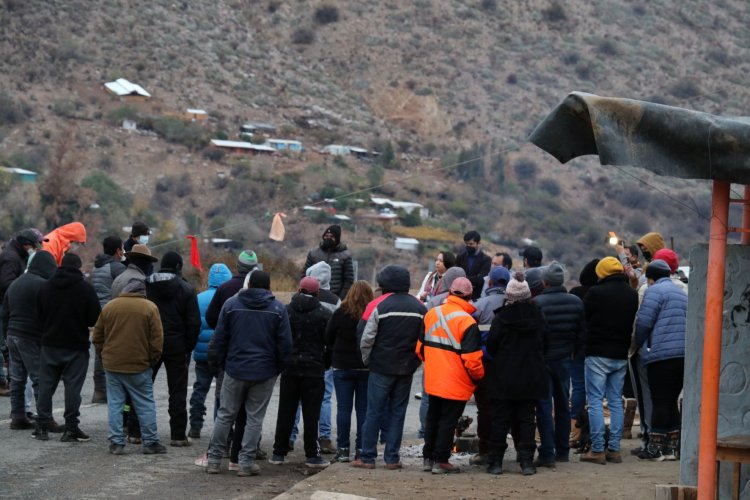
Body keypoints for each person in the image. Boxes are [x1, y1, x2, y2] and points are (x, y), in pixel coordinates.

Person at [206, 271, 292, 476]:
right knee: (254, 418)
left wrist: (222, 364)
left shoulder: (230, 305)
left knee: (225, 415)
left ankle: (214, 460)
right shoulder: (278, 309)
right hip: (264, 371)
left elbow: (219, 339)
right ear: (268, 286)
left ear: (249, 284)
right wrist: (277, 368)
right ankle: (245, 463)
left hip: (234, 369)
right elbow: (285, 345)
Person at [352, 265, 427, 470]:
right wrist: (416, 361)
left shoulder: (377, 305)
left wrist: (368, 360)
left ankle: (367, 457)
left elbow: (365, 338)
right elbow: (425, 339)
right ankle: (392, 458)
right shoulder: (420, 307)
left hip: (381, 366)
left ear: (385, 284)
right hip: (407, 368)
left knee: (374, 411)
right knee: (397, 412)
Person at [92, 278, 166, 455]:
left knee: (115, 404)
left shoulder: (110, 306)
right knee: (145, 403)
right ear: (142, 292)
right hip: (139, 365)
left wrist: (104, 355)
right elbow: (157, 340)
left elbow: (97, 336)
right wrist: (151, 360)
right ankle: (150, 442)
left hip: (113, 364)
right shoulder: (150, 308)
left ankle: (116, 443)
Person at [418, 277, 484, 474]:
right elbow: (472, 361)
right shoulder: (467, 321)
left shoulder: (431, 313)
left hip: (433, 377)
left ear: (449, 292)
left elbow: (420, 348)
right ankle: (441, 460)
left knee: (433, 417)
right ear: (470, 296)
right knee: (448, 420)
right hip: (456, 381)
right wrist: (478, 377)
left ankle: (428, 458)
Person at [484, 273, 548, 476]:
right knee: (527, 419)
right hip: (531, 375)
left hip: (504, 376)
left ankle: (495, 462)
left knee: (500, 419)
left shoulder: (501, 318)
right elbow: (546, 345)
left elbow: (491, 346)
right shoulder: (538, 316)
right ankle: (527, 462)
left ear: (509, 296)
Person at [35, 253, 101, 441]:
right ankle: (71, 428)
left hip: (49, 344)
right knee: (73, 388)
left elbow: (38, 315)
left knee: (46, 386)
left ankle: (41, 427)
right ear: (79, 267)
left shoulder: (45, 287)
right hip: (75, 346)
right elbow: (95, 318)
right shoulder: (85, 289)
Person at [580, 257, 639, 465]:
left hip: (597, 352)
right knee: (615, 401)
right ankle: (614, 449)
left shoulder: (595, 293)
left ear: (602, 273)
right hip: (620, 354)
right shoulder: (632, 295)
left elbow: (583, 318)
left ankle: (597, 449)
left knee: (595, 400)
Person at [269, 277, 332, 469]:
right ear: (317, 293)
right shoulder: (324, 313)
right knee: (311, 414)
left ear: (298, 290)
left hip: (290, 368)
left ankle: (278, 453)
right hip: (314, 370)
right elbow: (329, 344)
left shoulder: (286, 311)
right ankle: (312, 455)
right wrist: (324, 364)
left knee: (286, 411)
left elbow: (278, 339)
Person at [145, 251, 201, 446]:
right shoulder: (186, 289)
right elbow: (194, 323)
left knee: (143, 389)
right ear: (178, 266)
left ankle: (135, 431)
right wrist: (188, 348)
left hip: (150, 344)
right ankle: (177, 435)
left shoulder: (146, 285)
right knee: (177, 392)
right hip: (177, 345)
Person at [634, 259, 687, 461]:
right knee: (672, 400)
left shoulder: (653, 291)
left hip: (661, 356)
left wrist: (639, 343)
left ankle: (655, 449)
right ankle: (672, 449)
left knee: (659, 401)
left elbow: (644, 322)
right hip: (681, 355)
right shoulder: (680, 293)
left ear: (650, 278)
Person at [532, 262, 584, 467]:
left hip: (543, 360)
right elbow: (581, 334)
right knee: (563, 405)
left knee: (544, 406)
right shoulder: (576, 302)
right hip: (564, 360)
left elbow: (536, 335)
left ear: (544, 282)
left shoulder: (536, 303)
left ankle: (547, 452)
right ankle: (563, 450)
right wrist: (573, 354)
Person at [2, 250, 60, 431]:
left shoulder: (16, 283)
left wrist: (5, 337)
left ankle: (18, 417)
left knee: (17, 379)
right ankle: (46, 418)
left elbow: (4, 312)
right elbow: (50, 314)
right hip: (31, 337)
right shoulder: (43, 285)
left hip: (12, 335)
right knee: (39, 379)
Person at [325, 280, 374, 463]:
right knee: (363, 410)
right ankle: (361, 449)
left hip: (342, 366)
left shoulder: (340, 313)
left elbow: (328, 337)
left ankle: (343, 449)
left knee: (343, 409)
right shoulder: (370, 314)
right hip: (365, 367)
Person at [469, 265, 510, 465]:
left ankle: (485, 450)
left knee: (484, 408)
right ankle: (502, 448)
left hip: (484, 363)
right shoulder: (512, 304)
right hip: (506, 365)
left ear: (490, 282)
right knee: (506, 407)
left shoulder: (479, 305)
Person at [0, 228, 46, 397]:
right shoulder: (11, 258)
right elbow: (6, 284)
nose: (36, 249)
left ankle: (18, 414)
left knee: (17, 373)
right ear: (26, 245)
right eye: (34, 246)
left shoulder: (17, 254)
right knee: (31, 373)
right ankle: (43, 417)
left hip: (11, 312)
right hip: (9, 310)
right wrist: (24, 289)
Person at [189, 263, 232, 439]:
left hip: (202, 353)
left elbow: (194, 325)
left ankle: (195, 425)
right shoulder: (230, 298)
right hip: (222, 354)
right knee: (222, 391)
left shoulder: (198, 298)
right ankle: (220, 428)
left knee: (200, 388)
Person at [303, 261, 340, 454]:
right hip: (324, 354)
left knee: (298, 399)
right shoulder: (335, 300)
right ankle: (324, 437)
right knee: (325, 397)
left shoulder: (300, 297)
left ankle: (291, 437)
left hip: (301, 352)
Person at [89, 236, 127, 403]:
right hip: (113, 314)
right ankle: (114, 389)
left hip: (98, 314)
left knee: (100, 351)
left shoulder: (96, 268)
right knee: (117, 351)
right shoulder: (117, 268)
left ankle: (99, 390)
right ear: (118, 251)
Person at [568, 258, 599, 445]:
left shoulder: (575, 294)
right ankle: (593, 430)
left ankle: (575, 430)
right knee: (596, 390)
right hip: (597, 347)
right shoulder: (601, 293)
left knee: (578, 386)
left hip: (577, 348)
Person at [302, 225, 354, 300]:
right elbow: (305, 275)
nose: (328, 238)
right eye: (326, 235)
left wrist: (340, 299)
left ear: (337, 238)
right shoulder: (313, 254)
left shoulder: (345, 256)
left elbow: (348, 281)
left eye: (331, 236)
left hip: (335, 297)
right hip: (314, 296)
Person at [455, 231, 492, 300]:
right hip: (459, 295)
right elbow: (456, 275)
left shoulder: (486, 260)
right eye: (466, 244)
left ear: (478, 243)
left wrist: (463, 279)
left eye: (471, 244)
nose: (468, 246)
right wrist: (473, 279)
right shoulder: (460, 257)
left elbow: (481, 279)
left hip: (475, 297)